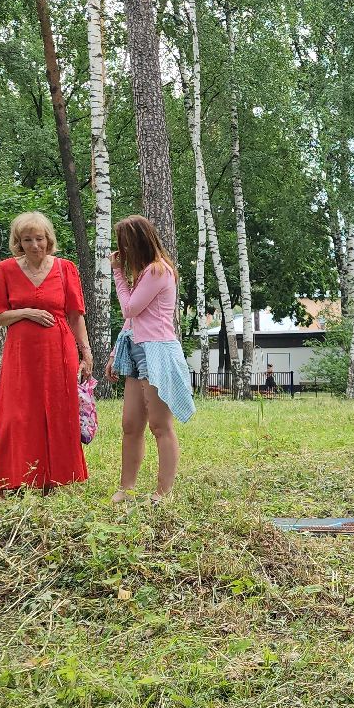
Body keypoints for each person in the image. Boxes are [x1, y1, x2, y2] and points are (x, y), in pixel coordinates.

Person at [0, 211, 91, 499]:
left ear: (49, 239)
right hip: (21, 354)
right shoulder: (4, 270)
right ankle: (3, 482)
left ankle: (52, 480)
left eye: (39, 238)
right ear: (18, 242)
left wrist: (86, 351)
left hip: (59, 350)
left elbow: (75, 313)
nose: (34, 245)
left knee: (58, 413)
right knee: (16, 415)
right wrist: (25, 312)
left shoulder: (65, 268)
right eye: (27, 240)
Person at [107, 214, 195, 503]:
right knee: (131, 425)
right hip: (135, 350)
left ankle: (163, 492)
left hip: (157, 351)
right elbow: (133, 321)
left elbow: (130, 309)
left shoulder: (158, 270)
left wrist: (117, 274)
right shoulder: (145, 273)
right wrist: (113, 355)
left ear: (140, 242)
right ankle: (126, 488)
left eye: (127, 245)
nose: (124, 252)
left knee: (160, 425)